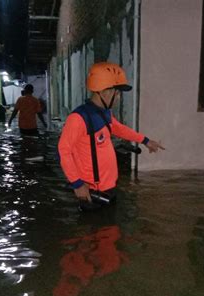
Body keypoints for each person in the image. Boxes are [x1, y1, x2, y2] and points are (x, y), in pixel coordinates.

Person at [58, 61, 165, 211]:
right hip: (91, 192)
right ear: (105, 92)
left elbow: (119, 129)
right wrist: (77, 184)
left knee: (109, 229)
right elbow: (64, 151)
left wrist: (145, 141)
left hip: (108, 187)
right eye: (118, 93)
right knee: (93, 231)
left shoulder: (104, 113)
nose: (119, 97)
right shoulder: (79, 118)